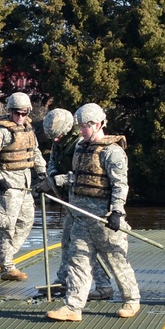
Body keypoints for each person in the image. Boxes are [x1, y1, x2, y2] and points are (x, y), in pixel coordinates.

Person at [46, 103, 141, 321]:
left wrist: (117, 212)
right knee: (77, 260)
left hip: (104, 219)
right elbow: (76, 177)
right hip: (80, 217)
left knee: (116, 261)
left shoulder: (112, 152)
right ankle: (73, 306)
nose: (80, 131)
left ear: (98, 124)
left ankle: (131, 300)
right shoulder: (80, 148)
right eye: (79, 127)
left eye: (84, 127)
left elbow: (120, 184)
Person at [40, 108, 113, 299]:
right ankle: (63, 281)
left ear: (69, 130)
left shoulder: (82, 144)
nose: (55, 140)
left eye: (59, 136)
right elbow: (52, 163)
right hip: (70, 199)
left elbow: (85, 175)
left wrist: (61, 179)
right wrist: (52, 176)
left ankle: (104, 285)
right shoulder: (59, 142)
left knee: (90, 246)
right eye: (53, 138)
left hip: (88, 201)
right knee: (67, 241)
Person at [0, 91, 47, 281]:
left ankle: (3, 256)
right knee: (6, 225)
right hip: (7, 184)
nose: (20, 117)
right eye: (17, 113)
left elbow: (35, 153)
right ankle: (7, 267)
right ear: (10, 111)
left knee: (26, 221)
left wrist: (43, 174)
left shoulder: (28, 129)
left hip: (25, 183)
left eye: (24, 113)